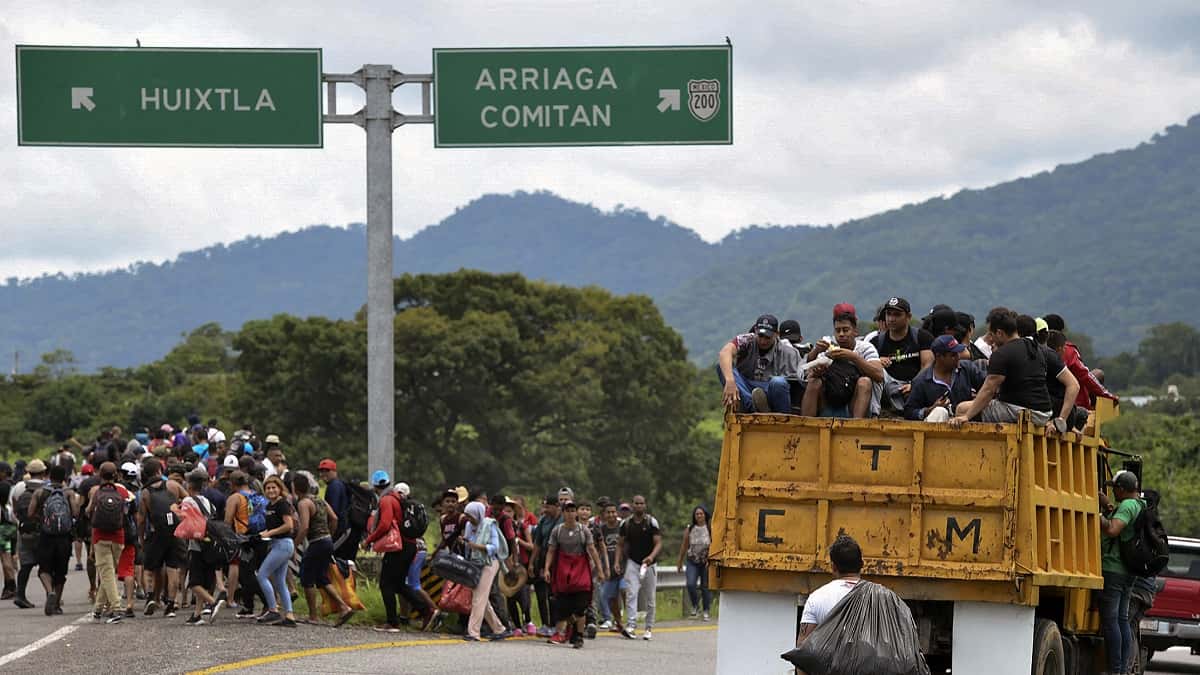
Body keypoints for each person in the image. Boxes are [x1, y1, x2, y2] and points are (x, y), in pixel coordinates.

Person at [950, 308, 1059, 430]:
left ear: (1000, 333)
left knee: (962, 409)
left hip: (1021, 410)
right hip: (1044, 412)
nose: (991, 339)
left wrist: (967, 416)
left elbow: (988, 390)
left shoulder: (1002, 353)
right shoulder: (1036, 347)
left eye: (992, 334)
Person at [363, 472, 434, 633]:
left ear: (374, 486)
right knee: (399, 584)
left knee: (386, 584)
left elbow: (385, 524)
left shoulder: (387, 499)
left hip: (398, 547)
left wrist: (369, 540)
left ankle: (392, 622)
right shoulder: (397, 498)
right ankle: (427, 611)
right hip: (408, 546)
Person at [293, 471, 354, 627]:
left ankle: (313, 616)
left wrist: (295, 544)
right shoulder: (319, 500)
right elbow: (334, 518)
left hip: (316, 543)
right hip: (327, 541)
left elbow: (305, 527)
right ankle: (344, 607)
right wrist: (330, 534)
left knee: (306, 578)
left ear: (295, 488)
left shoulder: (303, 503)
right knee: (321, 578)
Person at [802, 304, 885, 418]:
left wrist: (854, 357)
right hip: (828, 403)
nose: (841, 334)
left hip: (852, 407)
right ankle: (807, 427)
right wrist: (816, 368)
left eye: (845, 330)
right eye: (838, 330)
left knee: (865, 382)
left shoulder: (865, 348)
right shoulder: (827, 347)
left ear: (855, 331)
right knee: (813, 382)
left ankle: (856, 427)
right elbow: (805, 373)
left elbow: (879, 375)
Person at [1099, 470, 1144, 675]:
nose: (1114, 490)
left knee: (1111, 621)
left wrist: (1096, 515)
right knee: (1122, 620)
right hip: (1128, 570)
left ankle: (1116, 670)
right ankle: (1123, 670)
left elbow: (1112, 530)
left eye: (1115, 487)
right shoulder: (1139, 505)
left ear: (1123, 489)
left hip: (1114, 569)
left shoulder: (1127, 506)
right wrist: (1108, 505)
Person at [544, 500, 602, 648]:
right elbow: (551, 550)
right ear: (563, 513)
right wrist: (546, 568)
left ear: (576, 513)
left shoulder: (584, 531)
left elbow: (592, 550)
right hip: (563, 572)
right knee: (563, 604)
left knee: (581, 606)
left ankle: (578, 636)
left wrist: (600, 570)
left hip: (581, 571)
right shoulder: (557, 531)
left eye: (572, 511)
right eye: (567, 511)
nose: (570, 514)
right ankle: (563, 632)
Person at [717, 314, 803, 413]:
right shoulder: (747, 340)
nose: (763, 341)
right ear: (756, 331)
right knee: (723, 367)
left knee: (778, 382)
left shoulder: (788, 352)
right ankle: (753, 406)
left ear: (776, 334)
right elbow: (725, 352)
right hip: (746, 387)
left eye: (767, 337)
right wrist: (730, 381)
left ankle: (768, 411)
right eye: (760, 336)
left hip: (770, 392)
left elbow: (796, 385)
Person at [28, 463, 80, 615]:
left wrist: (42, 517)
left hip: (46, 536)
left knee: (44, 570)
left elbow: (30, 513)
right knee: (60, 572)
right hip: (64, 537)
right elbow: (76, 513)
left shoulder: (39, 492)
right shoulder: (69, 493)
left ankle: (49, 591)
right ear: (64, 478)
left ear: (49, 476)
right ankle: (56, 603)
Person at [138, 456, 187, 618]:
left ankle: (151, 596)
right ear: (160, 470)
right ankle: (171, 605)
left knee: (149, 568)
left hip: (156, 533)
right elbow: (189, 501)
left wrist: (141, 538)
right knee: (173, 569)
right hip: (175, 532)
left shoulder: (145, 492)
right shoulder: (173, 485)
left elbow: (141, 519)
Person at [175, 470, 224, 626]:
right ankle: (197, 614)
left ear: (189, 485)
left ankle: (213, 602)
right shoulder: (207, 502)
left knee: (194, 582)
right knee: (203, 582)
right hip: (210, 545)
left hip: (196, 545)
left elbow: (183, 520)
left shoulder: (188, 501)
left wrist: (175, 510)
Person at [85, 462, 132, 623]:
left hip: (100, 537)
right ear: (116, 475)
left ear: (100, 475)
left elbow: (88, 512)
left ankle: (116, 608)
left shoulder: (96, 492)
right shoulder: (123, 491)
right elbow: (128, 510)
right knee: (109, 573)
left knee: (106, 573)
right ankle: (98, 609)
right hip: (118, 536)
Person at [1043, 314, 1120, 411]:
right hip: (1072, 405)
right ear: (1061, 331)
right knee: (1098, 374)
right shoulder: (1068, 350)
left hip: (1043, 403)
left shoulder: (1034, 350)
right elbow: (1085, 376)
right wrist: (1109, 396)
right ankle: (1091, 408)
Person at [870, 297, 934, 412]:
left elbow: (928, 365)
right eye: (888, 314)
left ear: (908, 317)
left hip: (915, 387)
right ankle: (875, 413)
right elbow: (867, 367)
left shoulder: (922, 337)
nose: (891, 319)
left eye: (897, 315)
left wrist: (914, 386)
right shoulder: (876, 342)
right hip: (887, 389)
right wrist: (877, 361)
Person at [904, 336, 987, 422]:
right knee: (940, 412)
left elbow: (988, 388)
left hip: (969, 424)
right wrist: (930, 409)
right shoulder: (921, 381)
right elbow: (909, 411)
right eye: (953, 355)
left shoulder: (966, 368)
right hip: (939, 431)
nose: (958, 357)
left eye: (958, 353)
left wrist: (977, 399)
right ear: (939, 357)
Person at [462, 499, 511, 641]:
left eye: (470, 515)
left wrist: (476, 546)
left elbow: (494, 548)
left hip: (490, 562)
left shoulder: (489, 525)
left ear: (478, 514)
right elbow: (467, 543)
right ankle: (499, 629)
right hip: (475, 562)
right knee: (481, 598)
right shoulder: (468, 526)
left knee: (479, 597)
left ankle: (473, 632)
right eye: (467, 515)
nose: (468, 518)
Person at [798, 536, 863, 640]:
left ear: (833, 567)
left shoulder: (817, 598)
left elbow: (802, 647)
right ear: (862, 564)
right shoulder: (879, 598)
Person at [618, 494, 662, 640]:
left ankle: (649, 627)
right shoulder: (626, 524)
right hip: (633, 562)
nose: (638, 506)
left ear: (645, 505)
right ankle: (631, 625)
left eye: (641, 503)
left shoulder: (651, 522)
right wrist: (617, 562)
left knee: (650, 598)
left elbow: (658, 543)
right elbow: (620, 544)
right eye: (636, 503)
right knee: (631, 593)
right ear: (632, 505)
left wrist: (651, 557)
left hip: (649, 564)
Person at [254, 475, 297, 626]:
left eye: (274, 487)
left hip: (283, 544)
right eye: (268, 488)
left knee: (262, 575)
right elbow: (273, 526)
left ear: (280, 489)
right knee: (279, 581)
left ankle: (273, 610)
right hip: (277, 544)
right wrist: (263, 533)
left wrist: (269, 533)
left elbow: (289, 525)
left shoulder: (282, 504)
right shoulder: (270, 506)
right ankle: (290, 615)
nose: (271, 490)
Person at [10, 459, 47, 609]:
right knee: (46, 566)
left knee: (25, 565)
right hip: (43, 532)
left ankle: (20, 595)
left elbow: (15, 510)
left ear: (29, 472)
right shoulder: (47, 489)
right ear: (44, 473)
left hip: (24, 531)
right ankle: (51, 594)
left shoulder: (19, 488)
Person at [530, 495, 562, 636]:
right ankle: (545, 624)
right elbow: (537, 543)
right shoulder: (543, 520)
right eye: (544, 506)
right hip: (543, 557)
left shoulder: (563, 520)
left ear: (556, 506)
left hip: (559, 559)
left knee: (555, 594)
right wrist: (532, 562)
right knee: (542, 593)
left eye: (548, 506)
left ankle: (557, 624)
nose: (545, 509)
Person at [676, 505, 713, 621]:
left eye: (701, 513)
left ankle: (706, 610)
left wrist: (711, 559)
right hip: (692, 560)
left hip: (705, 562)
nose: (699, 516)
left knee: (705, 587)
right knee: (691, 584)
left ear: (705, 515)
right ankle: (695, 605)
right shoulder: (690, 528)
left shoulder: (710, 528)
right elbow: (684, 546)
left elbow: (715, 545)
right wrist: (680, 562)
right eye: (697, 514)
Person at [596, 502, 625, 632]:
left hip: (624, 567)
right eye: (608, 512)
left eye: (613, 512)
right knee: (608, 596)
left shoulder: (623, 526)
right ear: (604, 515)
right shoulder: (601, 529)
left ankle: (630, 620)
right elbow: (597, 548)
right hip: (609, 568)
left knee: (625, 590)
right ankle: (616, 621)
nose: (611, 514)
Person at [0, 462, 16, 601]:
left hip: (2, 528)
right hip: (11, 526)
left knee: (5, 557)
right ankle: (8, 585)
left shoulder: (3, 486)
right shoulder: (14, 485)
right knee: (9, 555)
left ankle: (11, 585)